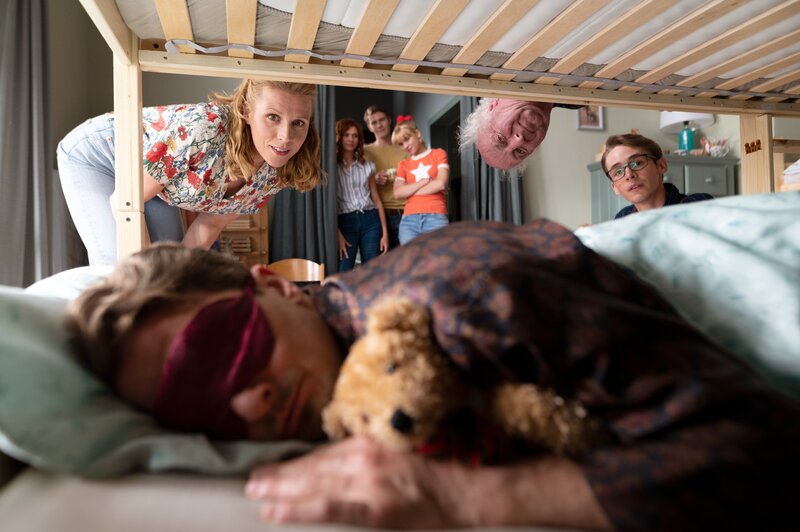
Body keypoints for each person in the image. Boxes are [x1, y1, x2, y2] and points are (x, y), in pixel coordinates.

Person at [66, 222, 800, 530]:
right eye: (202, 408)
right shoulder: (354, 378)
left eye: (227, 350)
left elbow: (768, 448)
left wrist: (463, 494)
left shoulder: (462, 306)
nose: (249, 401)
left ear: (277, 286)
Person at [57, 79, 322, 265]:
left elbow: (210, 224)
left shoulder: (277, 169)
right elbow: (125, 201)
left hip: (154, 183)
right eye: (273, 117)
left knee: (168, 265)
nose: (285, 137)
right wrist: (145, 277)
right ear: (246, 111)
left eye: (298, 123)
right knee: (120, 267)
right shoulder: (205, 129)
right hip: (101, 154)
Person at [601, 133, 714, 219]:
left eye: (637, 163)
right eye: (618, 172)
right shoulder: (622, 218)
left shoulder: (698, 205)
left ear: (661, 166)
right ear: (615, 188)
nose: (629, 175)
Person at [459, 99, 581, 172]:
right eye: (520, 151)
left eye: (500, 138)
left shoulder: (503, 68)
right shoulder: (579, 99)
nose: (519, 140)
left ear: (491, 107)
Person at [334, 118, 388, 271]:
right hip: (345, 222)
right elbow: (329, 205)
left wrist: (385, 234)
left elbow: (377, 201)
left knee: (372, 270)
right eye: (347, 135)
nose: (351, 139)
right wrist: (338, 234)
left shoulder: (368, 167)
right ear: (339, 137)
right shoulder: (332, 167)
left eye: (355, 136)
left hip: (370, 221)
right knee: (344, 270)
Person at [391, 118, 449, 245]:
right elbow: (397, 193)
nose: (405, 146)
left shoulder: (438, 154)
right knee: (410, 258)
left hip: (435, 216)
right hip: (408, 221)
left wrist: (409, 191)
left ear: (417, 133)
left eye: (407, 139)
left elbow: (441, 184)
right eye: (401, 144)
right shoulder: (403, 164)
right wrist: (425, 182)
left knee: (438, 256)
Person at [363, 105, 407, 249]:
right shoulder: (364, 152)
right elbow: (354, 184)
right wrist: (373, 181)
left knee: (406, 259)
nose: (379, 125)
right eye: (374, 122)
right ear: (369, 127)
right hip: (376, 216)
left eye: (381, 120)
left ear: (389, 121)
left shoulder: (405, 149)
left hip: (405, 213)